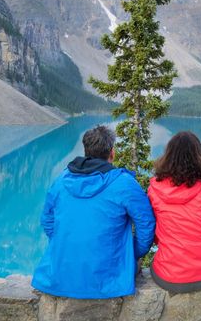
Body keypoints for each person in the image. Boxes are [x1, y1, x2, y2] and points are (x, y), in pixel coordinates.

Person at [32, 125, 155, 299]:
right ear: (112, 153)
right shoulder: (124, 183)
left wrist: (67, 243)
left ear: (86, 151)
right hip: (109, 279)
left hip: (62, 274)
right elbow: (146, 223)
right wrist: (132, 253)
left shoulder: (61, 180)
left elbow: (47, 221)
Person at [148, 131, 201, 293]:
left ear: (168, 156)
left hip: (168, 275)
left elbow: (154, 233)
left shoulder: (155, 188)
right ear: (199, 156)